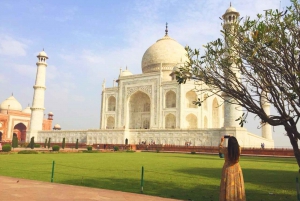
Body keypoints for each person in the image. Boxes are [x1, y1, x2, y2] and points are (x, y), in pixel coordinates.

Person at [219, 136, 246, 201]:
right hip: (237, 169)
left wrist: (222, 141)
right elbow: (238, 146)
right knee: (238, 186)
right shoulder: (239, 149)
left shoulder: (226, 150)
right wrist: (232, 138)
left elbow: (220, 148)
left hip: (227, 169)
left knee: (227, 185)